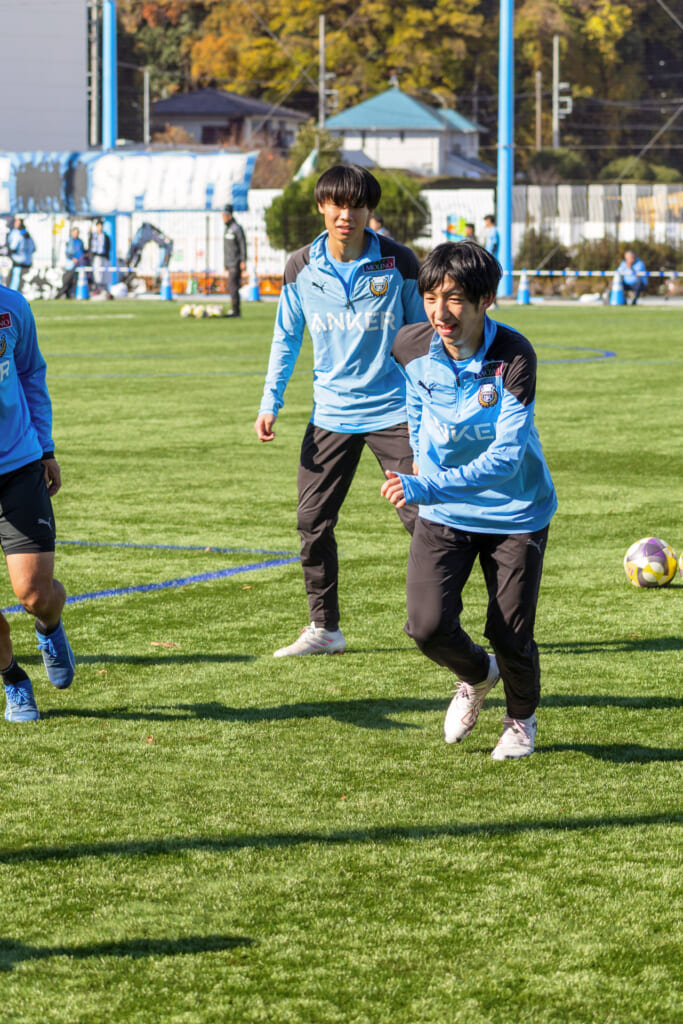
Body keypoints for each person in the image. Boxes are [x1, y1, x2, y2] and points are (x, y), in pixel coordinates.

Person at [381, 241, 557, 760]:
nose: (441, 312)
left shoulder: (514, 356)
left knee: (510, 631)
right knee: (427, 627)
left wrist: (425, 486)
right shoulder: (410, 344)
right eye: (431, 297)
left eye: (455, 299)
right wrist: (419, 453)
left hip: (515, 511)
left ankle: (520, 721)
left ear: (485, 300)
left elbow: (506, 458)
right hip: (445, 513)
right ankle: (478, 676)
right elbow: (415, 396)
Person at [254, 164, 426, 657]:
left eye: (356, 205)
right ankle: (325, 629)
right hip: (330, 415)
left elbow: (421, 339)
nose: (346, 215)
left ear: (370, 210)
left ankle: (436, 622)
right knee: (312, 523)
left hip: (394, 412)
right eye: (336, 204)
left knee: (424, 521)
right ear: (321, 207)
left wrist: (430, 408)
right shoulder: (300, 266)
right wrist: (270, 402)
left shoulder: (399, 262)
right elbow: (286, 338)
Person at [0, 282, 75, 722]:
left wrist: (45, 447)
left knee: (34, 594)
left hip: (18, 465)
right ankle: (13, 679)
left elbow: (31, 374)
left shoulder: (12, 306)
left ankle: (49, 625)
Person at [222, 204, 247, 318]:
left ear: (229, 215)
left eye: (224, 215)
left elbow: (242, 244)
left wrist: (243, 260)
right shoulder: (227, 229)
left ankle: (235, 311)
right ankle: (234, 309)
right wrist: (225, 264)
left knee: (233, 286)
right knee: (232, 286)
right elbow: (226, 249)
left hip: (236, 262)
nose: (223, 217)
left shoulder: (236, 228)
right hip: (230, 263)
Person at [54, 226, 86, 299]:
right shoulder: (69, 241)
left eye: (77, 232)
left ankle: (71, 294)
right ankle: (60, 294)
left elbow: (82, 251)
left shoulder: (80, 241)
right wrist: (72, 258)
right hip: (70, 264)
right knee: (67, 280)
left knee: (75, 280)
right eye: (75, 232)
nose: (76, 234)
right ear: (71, 233)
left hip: (79, 264)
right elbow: (67, 253)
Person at [7, 217, 36, 293]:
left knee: (15, 280)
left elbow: (13, 247)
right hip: (28, 261)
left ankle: (14, 293)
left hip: (18, 261)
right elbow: (34, 248)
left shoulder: (16, 234)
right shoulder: (28, 235)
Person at [88, 219, 111, 293]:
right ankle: (98, 288)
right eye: (98, 226)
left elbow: (108, 247)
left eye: (101, 225)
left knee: (105, 273)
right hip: (96, 257)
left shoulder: (105, 236)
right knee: (97, 273)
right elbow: (90, 247)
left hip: (104, 256)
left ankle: (104, 288)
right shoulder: (93, 236)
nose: (100, 227)